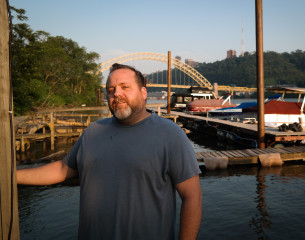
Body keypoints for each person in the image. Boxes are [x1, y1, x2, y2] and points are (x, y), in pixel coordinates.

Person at [17, 64, 202, 240]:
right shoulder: (93, 131)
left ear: (143, 92)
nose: (117, 94)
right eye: (111, 90)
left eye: (124, 87)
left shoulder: (171, 135)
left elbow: (192, 197)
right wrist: (11, 176)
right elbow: (63, 169)